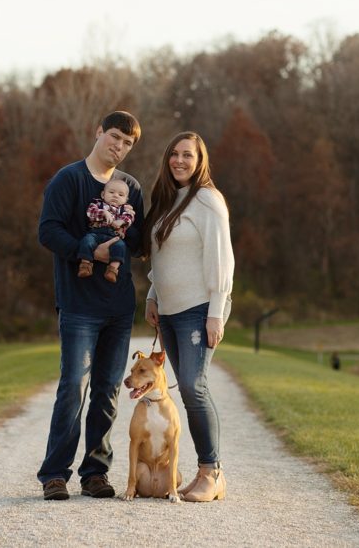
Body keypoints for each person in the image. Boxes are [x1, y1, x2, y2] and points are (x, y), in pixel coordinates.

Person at [36, 111, 144, 501]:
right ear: (98, 133)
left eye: (128, 142)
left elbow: (137, 242)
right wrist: (90, 252)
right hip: (79, 304)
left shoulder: (130, 186)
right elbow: (48, 231)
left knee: (109, 390)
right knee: (73, 387)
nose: (119, 146)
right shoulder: (69, 179)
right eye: (114, 136)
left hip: (118, 307)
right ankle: (54, 474)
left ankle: (95, 473)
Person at [143, 131, 234, 502]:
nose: (179, 161)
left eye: (188, 156)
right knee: (186, 388)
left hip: (200, 308)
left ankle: (213, 473)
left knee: (194, 388)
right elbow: (162, 257)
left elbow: (221, 260)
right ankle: (201, 473)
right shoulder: (166, 201)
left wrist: (216, 313)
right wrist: (152, 295)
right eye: (174, 154)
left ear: (200, 162)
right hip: (168, 310)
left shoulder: (208, 201)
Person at [77, 178, 136, 283]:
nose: (115, 195)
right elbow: (90, 213)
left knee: (121, 247)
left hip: (114, 236)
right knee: (87, 241)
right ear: (103, 194)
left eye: (120, 195)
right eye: (111, 192)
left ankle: (112, 270)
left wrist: (121, 221)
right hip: (96, 233)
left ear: (126, 199)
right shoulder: (97, 204)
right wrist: (103, 213)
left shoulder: (125, 210)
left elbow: (130, 218)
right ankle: (85, 265)